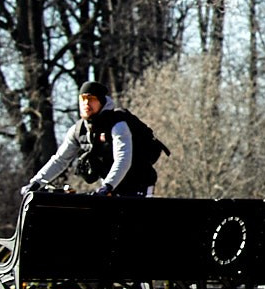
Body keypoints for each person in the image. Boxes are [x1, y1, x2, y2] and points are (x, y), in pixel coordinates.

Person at [26, 80, 165, 201]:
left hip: (138, 184)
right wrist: (37, 182)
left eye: (91, 99)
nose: (86, 104)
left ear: (102, 101)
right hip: (110, 187)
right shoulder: (78, 130)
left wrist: (108, 186)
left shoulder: (118, 124)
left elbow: (123, 159)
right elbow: (60, 160)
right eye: (83, 99)